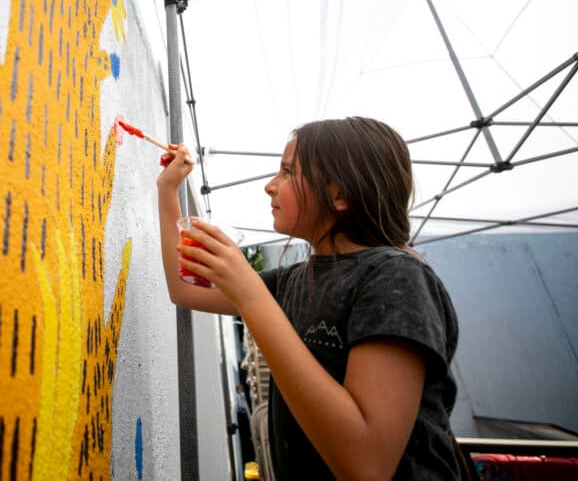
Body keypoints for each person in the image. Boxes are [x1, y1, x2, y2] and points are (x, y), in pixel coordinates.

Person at [156, 117, 461, 480]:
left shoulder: (397, 276)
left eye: (287, 172)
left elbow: (367, 466)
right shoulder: (299, 279)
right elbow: (185, 288)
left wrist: (251, 296)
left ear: (339, 194)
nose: (271, 186)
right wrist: (167, 191)